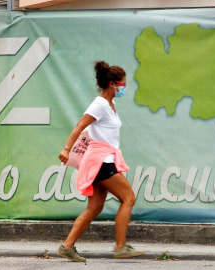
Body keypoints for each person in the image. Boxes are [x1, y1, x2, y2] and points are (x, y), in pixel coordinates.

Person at [57, 61, 144, 262]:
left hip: (102, 159)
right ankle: (121, 247)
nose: (124, 88)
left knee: (95, 207)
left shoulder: (110, 105)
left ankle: (66, 246)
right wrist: (67, 149)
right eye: (123, 84)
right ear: (113, 84)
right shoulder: (100, 104)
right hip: (101, 161)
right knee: (128, 198)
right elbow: (80, 125)